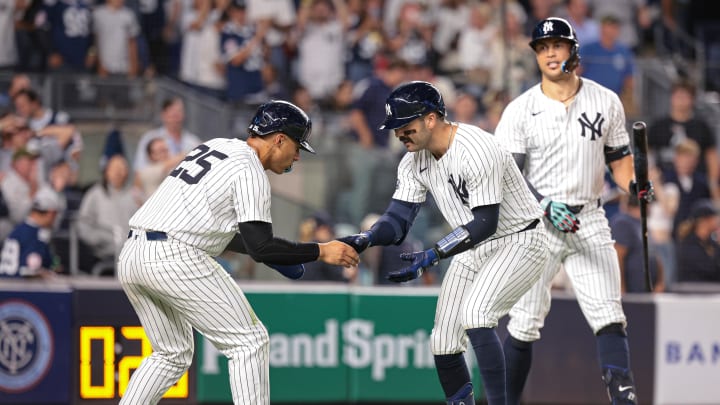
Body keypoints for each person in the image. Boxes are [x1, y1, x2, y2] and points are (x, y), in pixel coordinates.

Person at [117, 100, 359, 404]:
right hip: (174, 256)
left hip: (133, 254)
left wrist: (283, 254)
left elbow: (231, 235)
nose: (298, 155)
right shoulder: (250, 168)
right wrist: (320, 251)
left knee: (171, 353)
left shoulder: (217, 146)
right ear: (279, 139)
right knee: (250, 342)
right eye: (297, 146)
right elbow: (260, 245)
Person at [337, 81, 549, 405]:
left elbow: (485, 222)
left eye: (405, 126)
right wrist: (367, 238)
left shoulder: (477, 148)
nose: (399, 134)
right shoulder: (412, 161)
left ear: (432, 118)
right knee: (443, 343)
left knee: (477, 315)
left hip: (520, 238)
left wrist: (436, 253)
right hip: (475, 245)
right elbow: (397, 220)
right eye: (395, 128)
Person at [493, 17, 654, 405]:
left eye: (557, 45)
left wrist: (634, 184)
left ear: (573, 51)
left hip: (589, 217)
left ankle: (624, 400)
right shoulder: (520, 109)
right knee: (525, 322)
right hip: (535, 224)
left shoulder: (605, 100)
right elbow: (505, 178)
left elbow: (618, 159)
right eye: (542, 47)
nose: (549, 53)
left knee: (609, 314)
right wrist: (546, 205)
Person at [0, 187, 63, 278]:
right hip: (18, 287)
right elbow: (29, 270)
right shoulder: (33, 235)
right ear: (50, 214)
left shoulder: (19, 230)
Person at [609, 193, 665, 293]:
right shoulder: (622, 222)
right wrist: (621, 289)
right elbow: (617, 258)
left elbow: (655, 255)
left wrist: (660, 282)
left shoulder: (642, 224)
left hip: (648, 291)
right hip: (633, 291)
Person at [675, 199, 720, 283]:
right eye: (713, 217)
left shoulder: (711, 242)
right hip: (693, 291)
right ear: (703, 221)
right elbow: (710, 269)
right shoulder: (688, 245)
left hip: (712, 291)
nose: (717, 220)